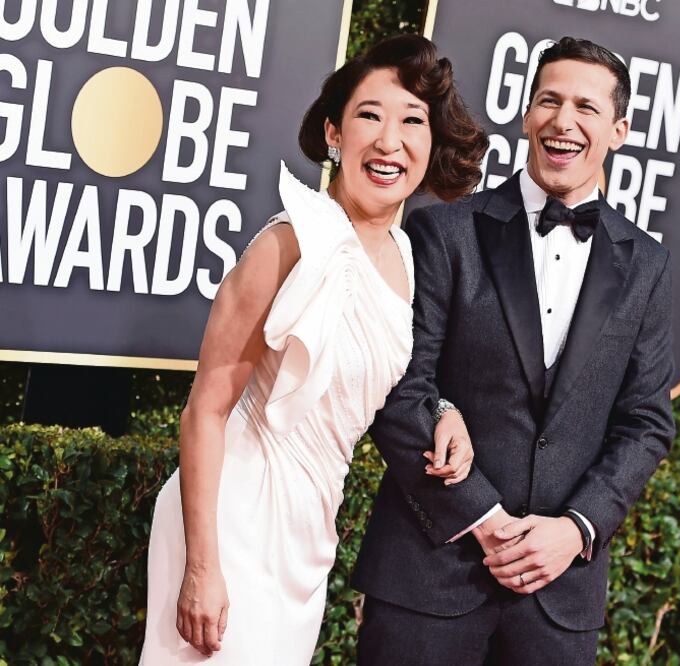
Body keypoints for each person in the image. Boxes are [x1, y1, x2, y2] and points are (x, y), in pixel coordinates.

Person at [139, 34, 488, 665]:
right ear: (334, 133)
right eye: (369, 116)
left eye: (412, 121)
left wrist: (443, 411)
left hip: (307, 540)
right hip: (233, 520)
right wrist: (202, 565)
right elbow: (205, 411)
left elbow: (373, 383)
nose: (390, 141)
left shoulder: (405, 257)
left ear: (431, 143)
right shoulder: (289, 242)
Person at [353, 36, 676, 665]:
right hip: (429, 574)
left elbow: (646, 423)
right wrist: (487, 520)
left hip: (560, 596)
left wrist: (575, 529)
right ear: (527, 115)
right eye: (549, 101)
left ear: (619, 130)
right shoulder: (443, 231)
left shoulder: (650, 266)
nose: (563, 121)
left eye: (586, 107)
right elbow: (400, 384)